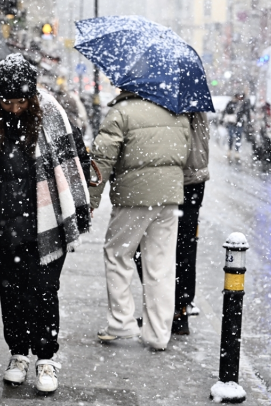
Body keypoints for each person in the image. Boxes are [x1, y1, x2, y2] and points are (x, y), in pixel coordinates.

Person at [0, 54, 90, 394]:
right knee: (12, 292)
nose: (15, 108)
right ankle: (18, 353)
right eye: (8, 101)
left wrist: (74, 206)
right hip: (5, 225)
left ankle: (46, 358)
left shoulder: (53, 116)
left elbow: (73, 162)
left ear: (32, 96)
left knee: (45, 291)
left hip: (46, 224)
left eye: (21, 101)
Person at [89, 90, 190, 351]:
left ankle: (121, 321)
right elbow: (186, 152)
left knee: (117, 254)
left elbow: (103, 158)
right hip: (169, 198)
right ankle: (158, 334)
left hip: (133, 196)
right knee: (161, 265)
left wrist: (90, 199)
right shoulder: (175, 109)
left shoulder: (121, 112)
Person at [134, 112, 209, 336]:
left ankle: (171, 309)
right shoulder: (191, 97)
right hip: (191, 180)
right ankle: (177, 310)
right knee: (183, 246)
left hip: (178, 178)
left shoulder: (175, 104)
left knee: (151, 244)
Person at [223, 93, 250, 159]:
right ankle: (230, 150)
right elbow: (226, 110)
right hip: (231, 123)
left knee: (238, 137)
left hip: (240, 123)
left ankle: (236, 151)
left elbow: (247, 112)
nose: (239, 98)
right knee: (231, 137)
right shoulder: (231, 103)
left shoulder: (244, 104)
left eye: (240, 97)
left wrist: (248, 122)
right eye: (238, 96)